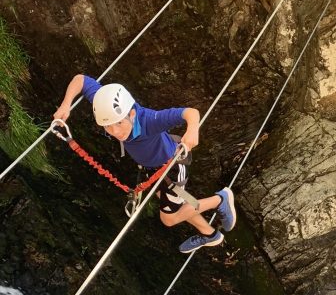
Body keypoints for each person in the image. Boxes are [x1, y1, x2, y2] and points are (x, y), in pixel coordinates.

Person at [53, 75, 236, 253]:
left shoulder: (149, 120)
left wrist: (192, 131)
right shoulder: (107, 105)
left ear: (131, 113)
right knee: (175, 203)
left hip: (171, 166)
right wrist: (66, 105)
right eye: (108, 127)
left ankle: (220, 200)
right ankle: (210, 234)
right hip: (152, 167)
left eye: (119, 124)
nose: (115, 132)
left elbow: (190, 113)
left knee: (169, 218)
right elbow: (81, 80)